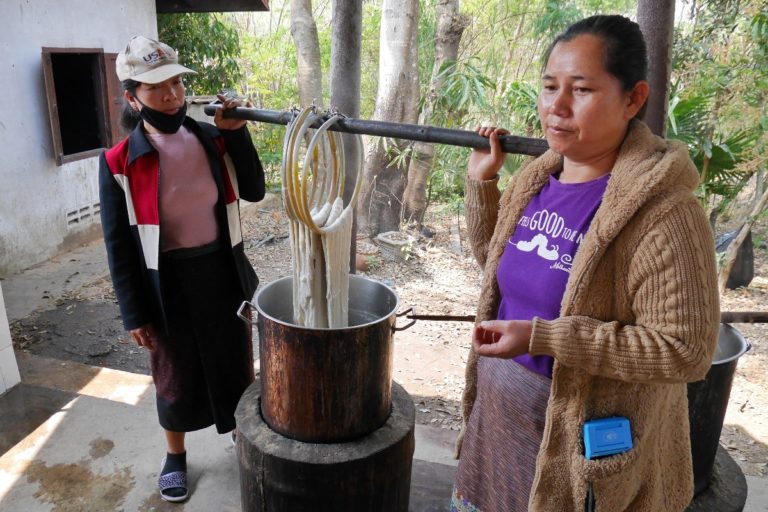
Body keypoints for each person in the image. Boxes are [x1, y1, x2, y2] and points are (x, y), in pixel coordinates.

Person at [451, 15, 719, 512]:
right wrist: (482, 184)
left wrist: (544, 338)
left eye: (582, 89)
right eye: (550, 86)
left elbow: (685, 350)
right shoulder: (538, 177)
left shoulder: (663, 213)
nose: (557, 105)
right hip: (496, 426)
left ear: (633, 98)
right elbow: (501, 268)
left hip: (572, 453)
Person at [99, 36, 265, 502]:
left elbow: (253, 190)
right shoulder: (119, 162)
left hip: (222, 271)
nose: (171, 96)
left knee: (233, 359)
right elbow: (119, 245)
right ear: (132, 97)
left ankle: (239, 432)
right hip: (165, 281)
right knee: (174, 371)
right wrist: (134, 312)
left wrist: (237, 132)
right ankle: (175, 455)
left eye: (176, 83)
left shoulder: (212, 139)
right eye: (156, 88)